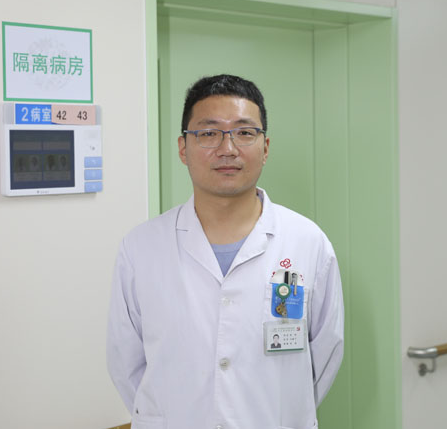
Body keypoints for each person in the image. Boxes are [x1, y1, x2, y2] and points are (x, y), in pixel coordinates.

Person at [107, 74, 344, 429]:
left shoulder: (308, 242)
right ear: (183, 148)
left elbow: (325, 353)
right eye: (209, 133)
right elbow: (126, 362)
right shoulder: (141, 247)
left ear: (265, 147)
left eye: (244, 132)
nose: (228, 148)